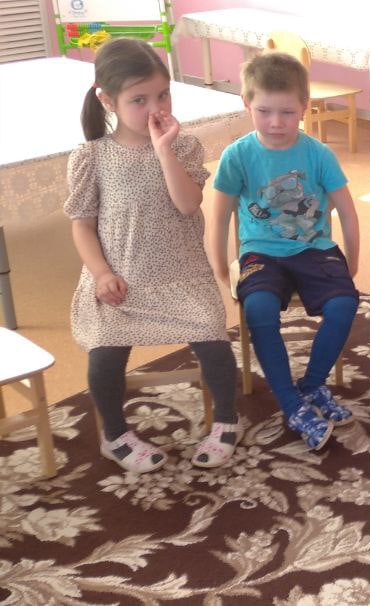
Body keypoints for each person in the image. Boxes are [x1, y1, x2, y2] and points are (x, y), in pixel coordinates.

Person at [65, 38, 239, 473]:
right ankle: (114, 434)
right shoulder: (92, 156)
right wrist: (101, 274)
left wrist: (164, 151)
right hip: (121, 280)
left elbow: (188, 204)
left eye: (163, 95)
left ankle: (226, 421)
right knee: (104, 354)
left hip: (183, 276)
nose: (155, 108)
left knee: (214, 339)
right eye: (138, 100)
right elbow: (82, 225)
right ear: (107, 100)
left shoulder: (185, 146)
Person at [210, 52, 359, 451]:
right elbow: (219, 216)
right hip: (259, 252)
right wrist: (221, 270)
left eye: (287, 113)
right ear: (246, 103)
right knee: (258, 309)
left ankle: (312, 385)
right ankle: (292, 405)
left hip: (314, 248)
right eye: (264, 111)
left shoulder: (319, 154)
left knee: (345, 303)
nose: (276, 122)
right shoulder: (237, 156)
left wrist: (353, 262)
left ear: (304, 108)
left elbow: (347, 211)